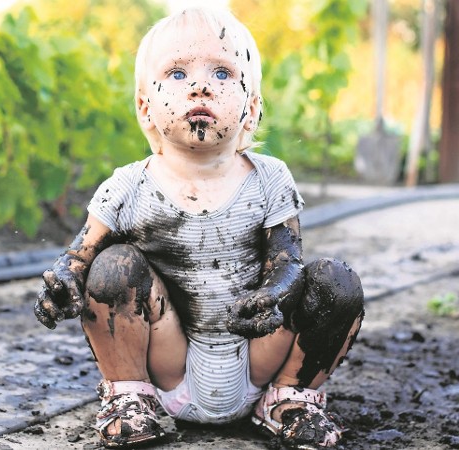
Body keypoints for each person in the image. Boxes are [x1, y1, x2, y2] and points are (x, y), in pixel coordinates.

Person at [34, 6, 364, 449]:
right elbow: (80, 255)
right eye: (176, 73)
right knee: (112, 266)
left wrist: (273, 293)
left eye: (224, 73)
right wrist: (63, 284)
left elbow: (288, 260)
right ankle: (130, 394)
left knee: (335, 282)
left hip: (258, 357)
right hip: (170, 359)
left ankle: (291, 397)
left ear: (252, 109)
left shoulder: (269, 179)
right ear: (145, 106)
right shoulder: (129, 186)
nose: (201, 84)